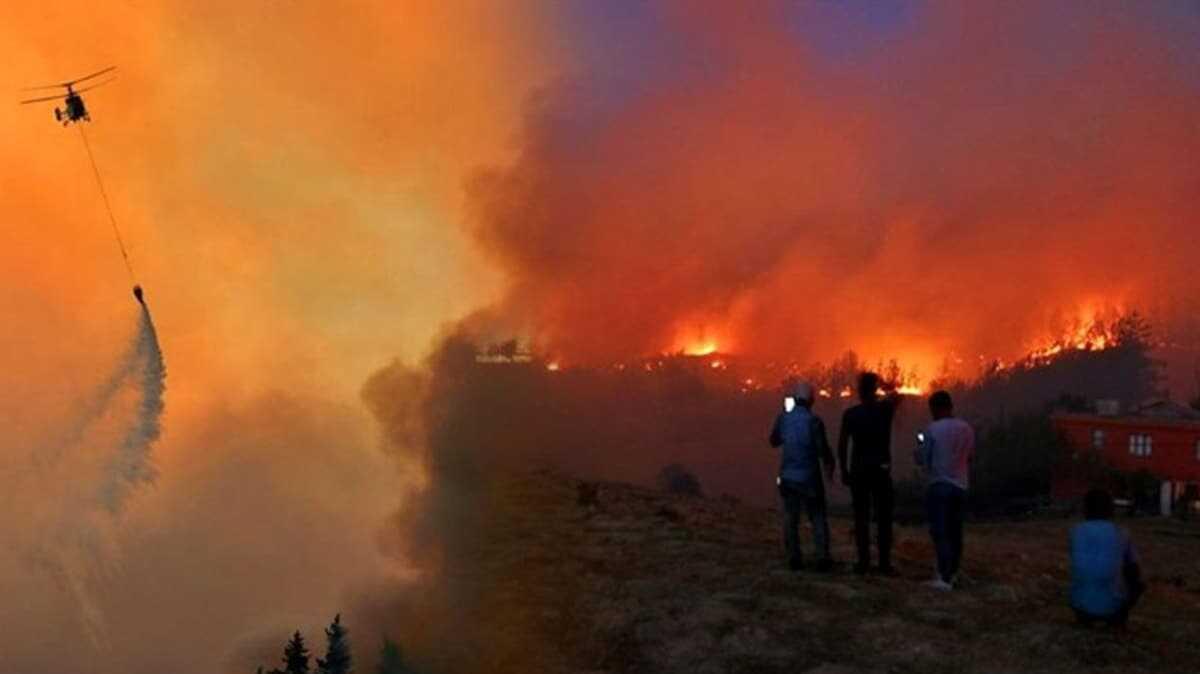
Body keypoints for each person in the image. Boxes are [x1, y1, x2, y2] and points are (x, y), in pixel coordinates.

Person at [838, 372, 902, 575]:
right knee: (883, 517)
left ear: (859, 391)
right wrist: (884, 383)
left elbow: (842, 445)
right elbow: (898, 394)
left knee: (861, 517)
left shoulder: (851, 415)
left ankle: (863, 562)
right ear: (875, 390)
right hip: (881, 469)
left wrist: (844, 470)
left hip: (859, 469)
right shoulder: (885, 410)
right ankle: (884, 563)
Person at [769, 381, 836, 572]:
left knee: (791, 517)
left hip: (788, 476)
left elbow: (773, 441)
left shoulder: (784, 419)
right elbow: (822, 448)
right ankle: (822, 557)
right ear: (810, 401)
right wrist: (830, 465)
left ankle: (794, 557)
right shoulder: (814, 421)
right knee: (817, 517)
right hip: (809, 477)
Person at [915, 390, 974, 590]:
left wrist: (920, 445)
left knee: (940, 531)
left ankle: (943, 576)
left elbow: (923, 459)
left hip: (939, 484)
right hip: (960, 485)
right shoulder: (966, 428)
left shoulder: (932, 429)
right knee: (955, 531)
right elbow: (969, 456)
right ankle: (954, 572)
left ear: (935, 408)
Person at [1070, 489, 1145, 627]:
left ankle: (1086, 612)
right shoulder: (1121, 532)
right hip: (1112, 608)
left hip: (1079, 605)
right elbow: (1134, 568)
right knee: (1134, 575)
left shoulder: (1076, 531)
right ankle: (1118, 615)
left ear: (1085, 508)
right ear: (1111, 510)